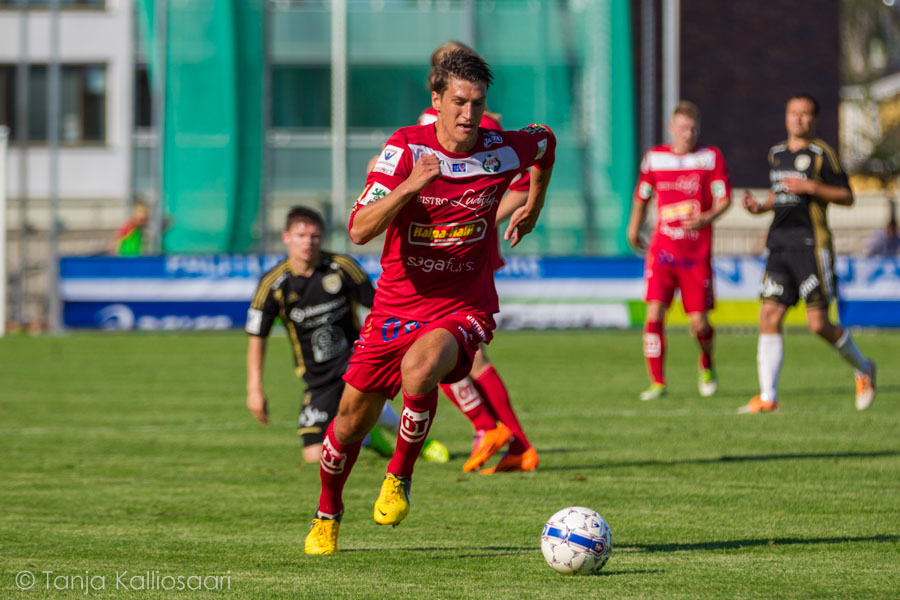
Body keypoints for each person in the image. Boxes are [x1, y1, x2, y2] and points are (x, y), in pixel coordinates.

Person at [304, 49, 556, 555]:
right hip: (395, 308)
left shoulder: (501, 149)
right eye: (459, 102)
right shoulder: (404, 151)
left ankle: (399, 476)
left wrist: (533, 204)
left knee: (421, 370)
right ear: (436, 100)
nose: (469, 114)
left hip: (462, 307)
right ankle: (328, 513)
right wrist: (411, 186)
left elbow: (546, 142)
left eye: (477, 104)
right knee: (347, 426)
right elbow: (357, 229)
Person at [245, 206, 450, 463]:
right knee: (313, 455)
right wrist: (254, 389)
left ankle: (418, 442)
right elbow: (257, 336)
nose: (308, 242)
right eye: (301, 235)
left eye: (315, 236)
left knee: (358, 410)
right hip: (317, 379)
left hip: (355, 363)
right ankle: (368, 436)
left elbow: (380, 307)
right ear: (286, 237)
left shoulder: (341, 267)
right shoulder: (273, 284)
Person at [418, 41, 537, 474]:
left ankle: (489, 428)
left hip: (464, 251)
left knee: (436, 352)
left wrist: (480, 216)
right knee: (465, 355)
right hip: (437, 253)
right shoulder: (427, 127)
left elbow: (522, 186)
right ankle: (514, 442)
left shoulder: (481, 127)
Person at [740, 93, 876, 413]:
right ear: (786, 117)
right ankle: (768, 397)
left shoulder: (822, 154)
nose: (798, 119)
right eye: (793, 113)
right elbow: (780, 194)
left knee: (818, 324)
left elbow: (847, 196)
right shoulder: (776, 153)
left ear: (814, 119)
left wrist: (813, 188)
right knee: (769, 316)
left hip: (811, 245)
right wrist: (759, 207)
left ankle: (864, 368)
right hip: (779, 245)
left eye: (805, 115)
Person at [626, 101, 732, 401]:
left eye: (693, 128)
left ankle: (706, 361)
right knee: (655, 314)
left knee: (699, 322)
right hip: (662, 251)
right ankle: (658, 382)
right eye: (683, 128)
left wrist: (706, 218)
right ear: (672, 128)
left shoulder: (710, 158)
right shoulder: (655, 158)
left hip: (696, 255)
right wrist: (633, 229)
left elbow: (725, 198)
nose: (688, 134)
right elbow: (641, 196)